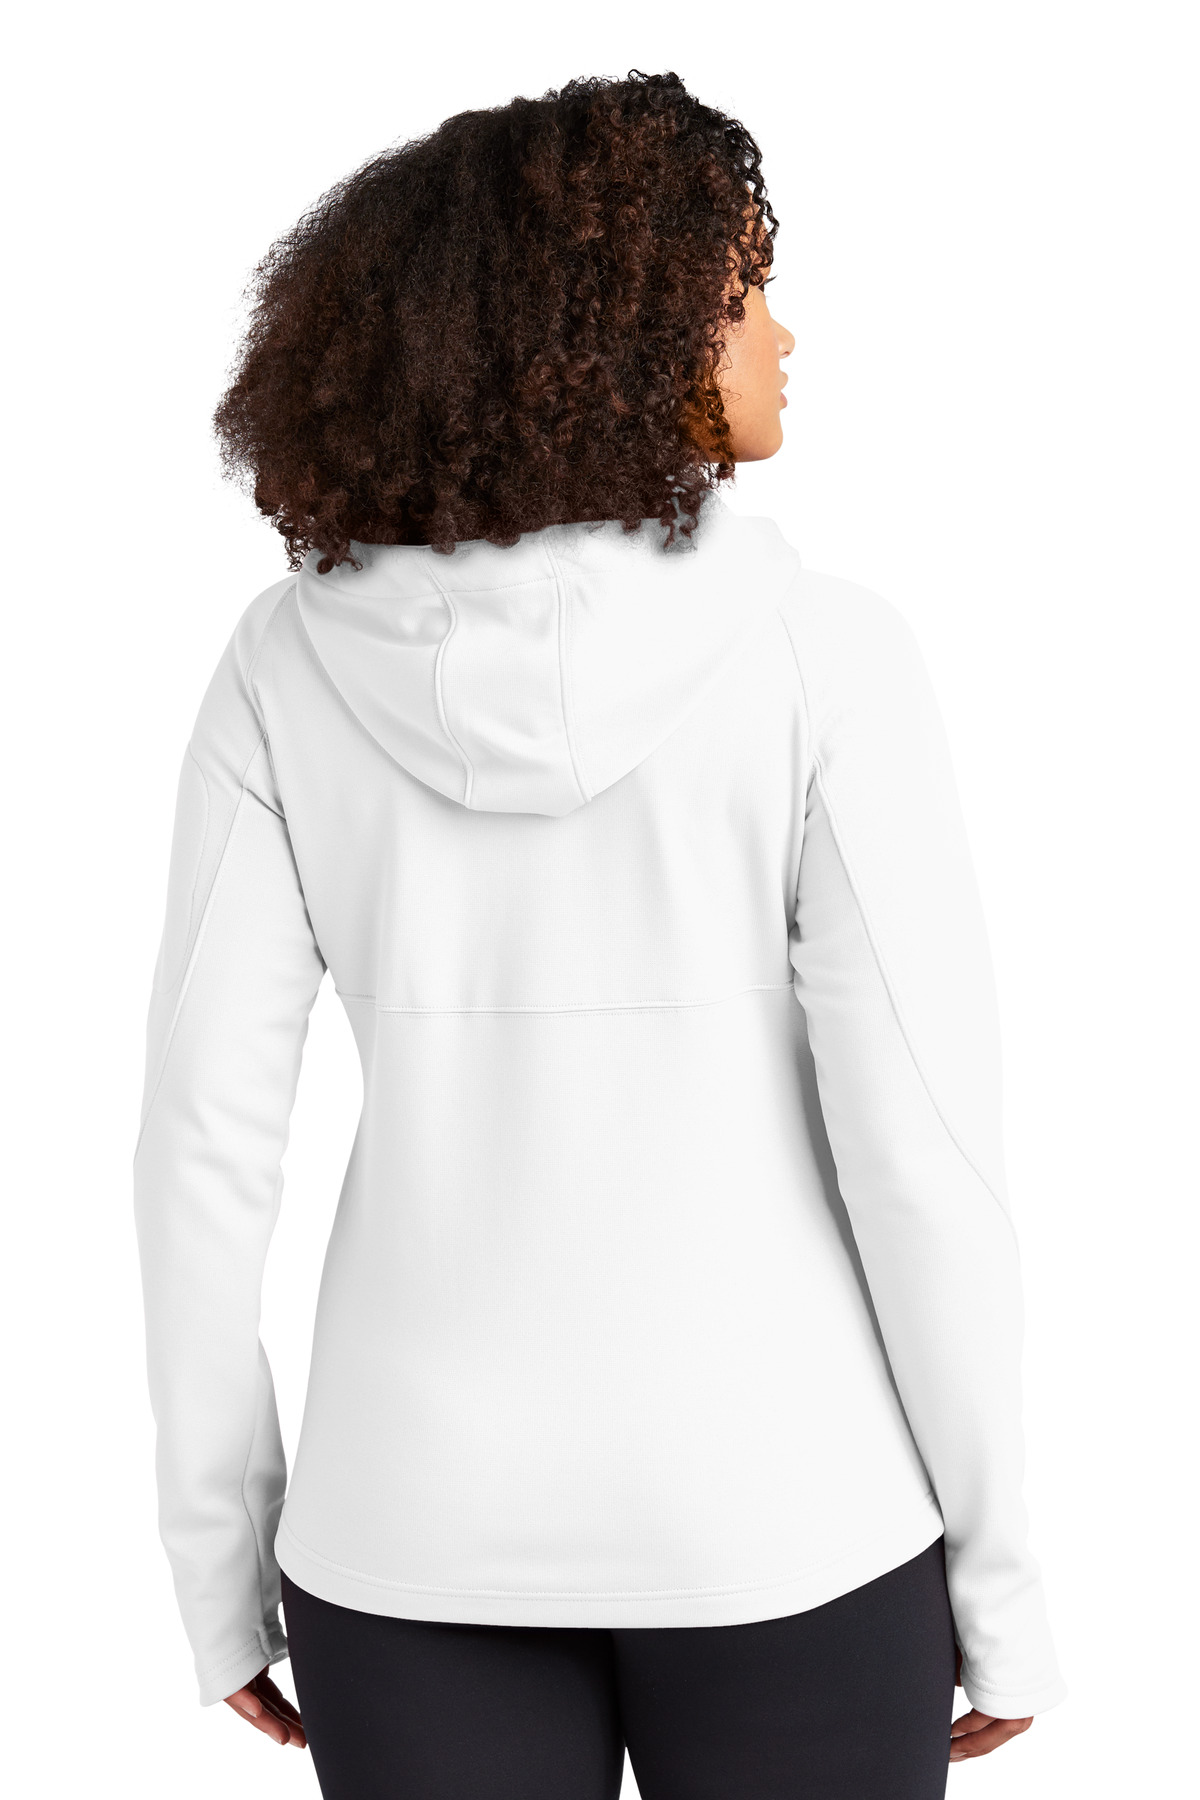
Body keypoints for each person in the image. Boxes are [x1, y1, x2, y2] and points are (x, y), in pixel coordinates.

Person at [133, 70, 1066, 1799]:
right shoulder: (825, 654)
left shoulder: (283, 667)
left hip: (406, 1536)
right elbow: (924, 1157)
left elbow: (201, 1156)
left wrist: (216, 1573)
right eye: (743, 294)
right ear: (621, 336)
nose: (785, 335)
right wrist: (1005, 1577)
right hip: (790, 1520)